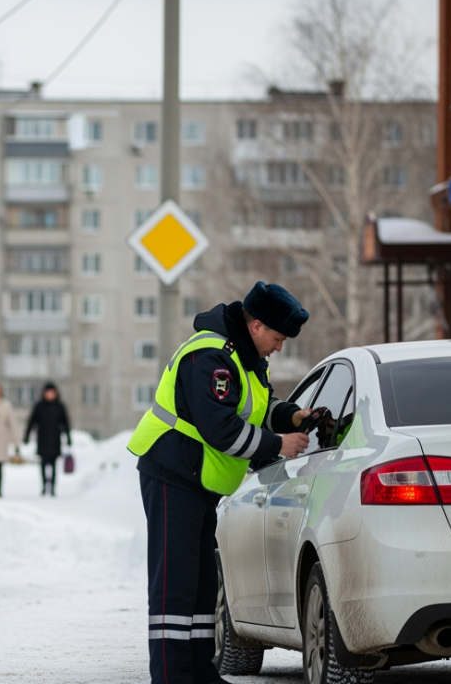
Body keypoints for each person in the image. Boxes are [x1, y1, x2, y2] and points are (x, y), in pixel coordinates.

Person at [128, 281, 317, 684]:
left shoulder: (245, 358)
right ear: (256, 325)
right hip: (172, 473)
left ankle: (199, 671)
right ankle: (171, 675)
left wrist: (291, 416)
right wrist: (278, 444)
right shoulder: (212, 356)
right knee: (175, 584)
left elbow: (254, 408)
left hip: (198, 481)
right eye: (278, 338)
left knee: (201, 583)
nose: (279, 347)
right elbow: (221, 428)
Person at [23, 382, 71, 497]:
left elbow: (65, 423)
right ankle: (44, 486)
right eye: (48, 392)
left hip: (55, 439)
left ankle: (53, 487)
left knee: (53, 465)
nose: (50, 395)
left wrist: (68, 437)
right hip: (43, 439)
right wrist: (27, 436)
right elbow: (32, 422)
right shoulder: (39, 406)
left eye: (52, 392)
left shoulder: (60, 406)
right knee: (43, 464)